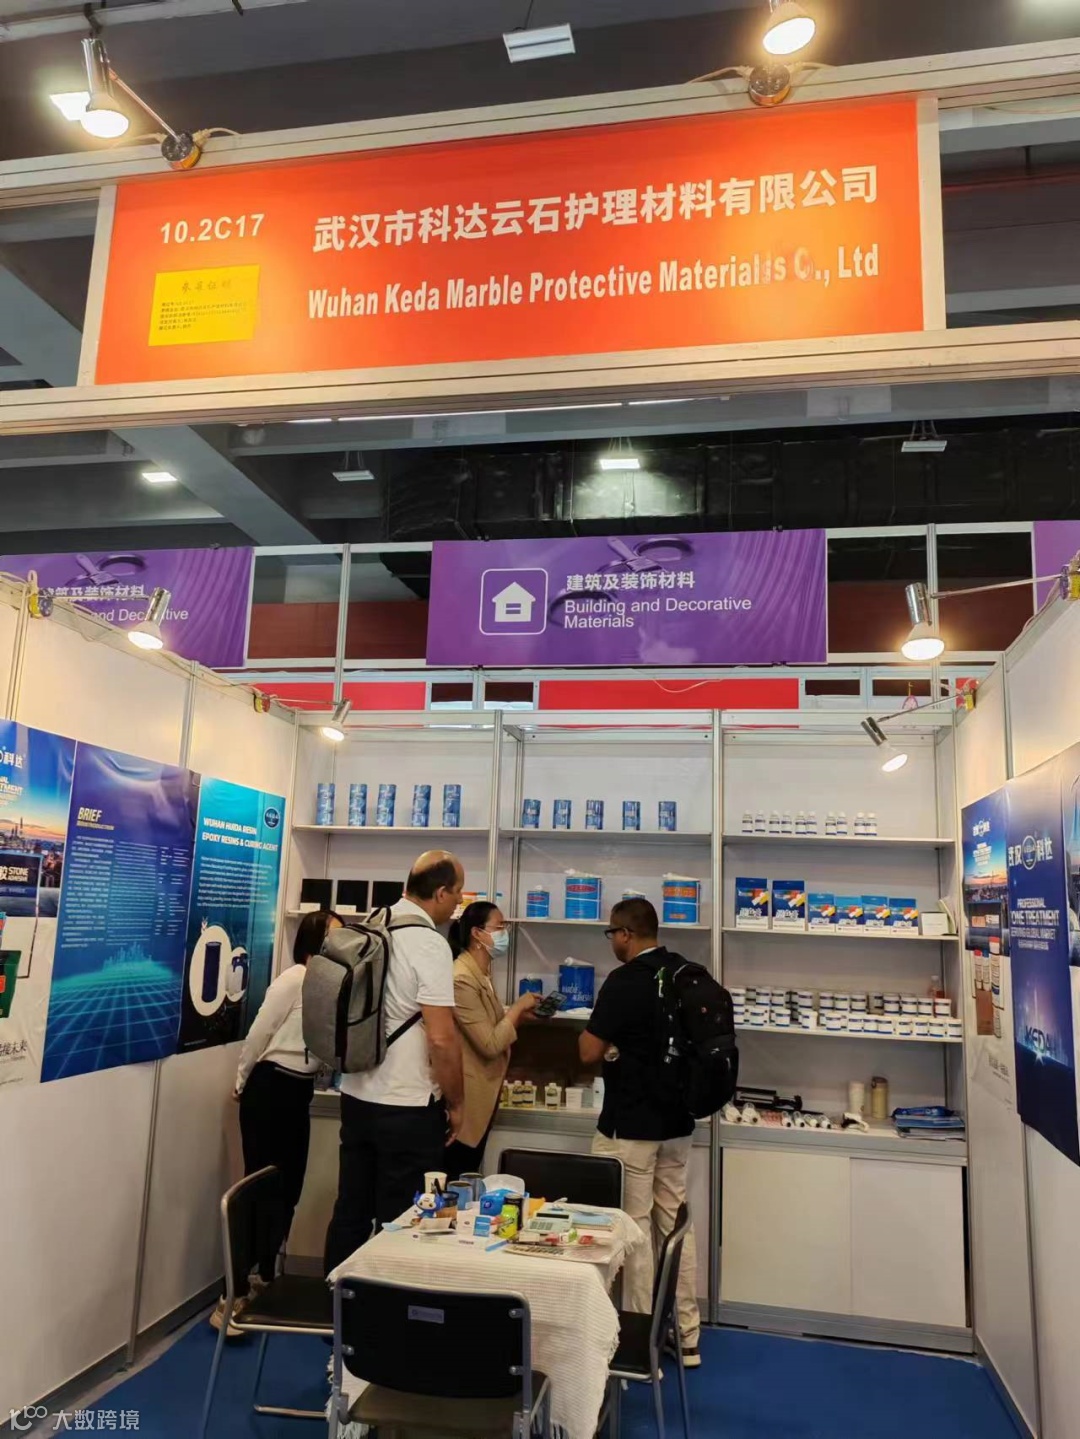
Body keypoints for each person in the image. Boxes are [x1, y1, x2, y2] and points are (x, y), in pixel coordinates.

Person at [323, 851, 465, 1273]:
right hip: (408, 1106)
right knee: (407, 1218)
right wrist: (457, 1103)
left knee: (351, 1207)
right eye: (457, 893)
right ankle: (391, 1306)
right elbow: (441, 1037)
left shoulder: (373, 924)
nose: (459, 903)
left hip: (356, 1094)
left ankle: (337, 1302)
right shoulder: (429, 944)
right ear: (441, 893)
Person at [579, 897, 702, 1367]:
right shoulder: (684, 973)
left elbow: (588, 1051)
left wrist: (611, 1046)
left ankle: (639, 1339)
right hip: (677, 1125)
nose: (611, 940)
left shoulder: (624, 981)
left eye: (612, 933)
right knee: (674, 1226)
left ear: (626, 934)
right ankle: (686, 1335)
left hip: (631, 1126)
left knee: (632, 1229)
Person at [210, 908, 343, 1335]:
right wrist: (241, 1079)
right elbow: (259, 1033)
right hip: (268, 1087)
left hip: (298, 1092)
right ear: (312, 942)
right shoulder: (294, 979)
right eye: (332, 936)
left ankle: (264, 1278)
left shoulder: (328, 986)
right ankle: (231, 1296)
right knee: (260, 1188)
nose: (340, 946)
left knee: (289, 1189)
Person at [445, 900, 538, 1178]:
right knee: (456, 1178)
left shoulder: (482, 974)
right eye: (499, 927)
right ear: (477, 933)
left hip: (485, 1096)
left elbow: (492, 1026)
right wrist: (517, 1008)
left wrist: (518, 1017)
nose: (504, 933)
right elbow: (489, 1044)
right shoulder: (461, 978)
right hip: (467, 1099)